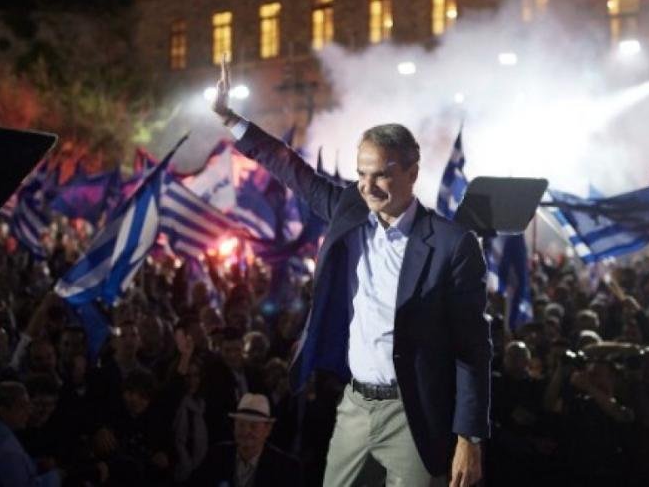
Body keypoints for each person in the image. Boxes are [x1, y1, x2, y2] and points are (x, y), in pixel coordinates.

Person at [211, 61, 490, 486]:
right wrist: (232, 119)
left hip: (413, 412)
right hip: (356, 404)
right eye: (362, 174)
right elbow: (291, 169)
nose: (368, 186)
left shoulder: (452, 244)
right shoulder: (349, 208)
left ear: (412, 173)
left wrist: (469, 436)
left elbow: (472, 346)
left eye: (382, 175)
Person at [192, 393, 303, 487]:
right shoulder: (217, 456)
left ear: (267, 430)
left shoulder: (286, 468)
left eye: (253, 426)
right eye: (241, 425)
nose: (246, 431)